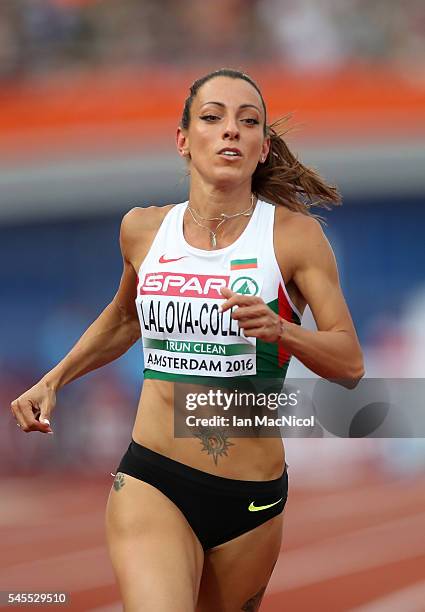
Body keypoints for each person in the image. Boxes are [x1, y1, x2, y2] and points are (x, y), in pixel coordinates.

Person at [10, 68, 364, 611]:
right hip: (156, 477)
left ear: (263, 147)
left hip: (251, 498)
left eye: (248, 122)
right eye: (212, 118)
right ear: (183, 139)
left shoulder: (294, 237)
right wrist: (53, 379)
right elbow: (125, 319)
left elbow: (349, 362)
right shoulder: (144, 229)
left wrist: (284, 330)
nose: (231, 131)